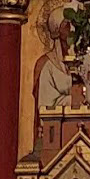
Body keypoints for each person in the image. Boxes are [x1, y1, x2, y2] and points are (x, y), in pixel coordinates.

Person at [32, 7, 73, 142]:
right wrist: (74, 99)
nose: (72, 29)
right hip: (55, 132)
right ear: (57, 31)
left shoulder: (83, 59)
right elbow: (46, 104)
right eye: (67, 24)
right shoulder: (47, 66)